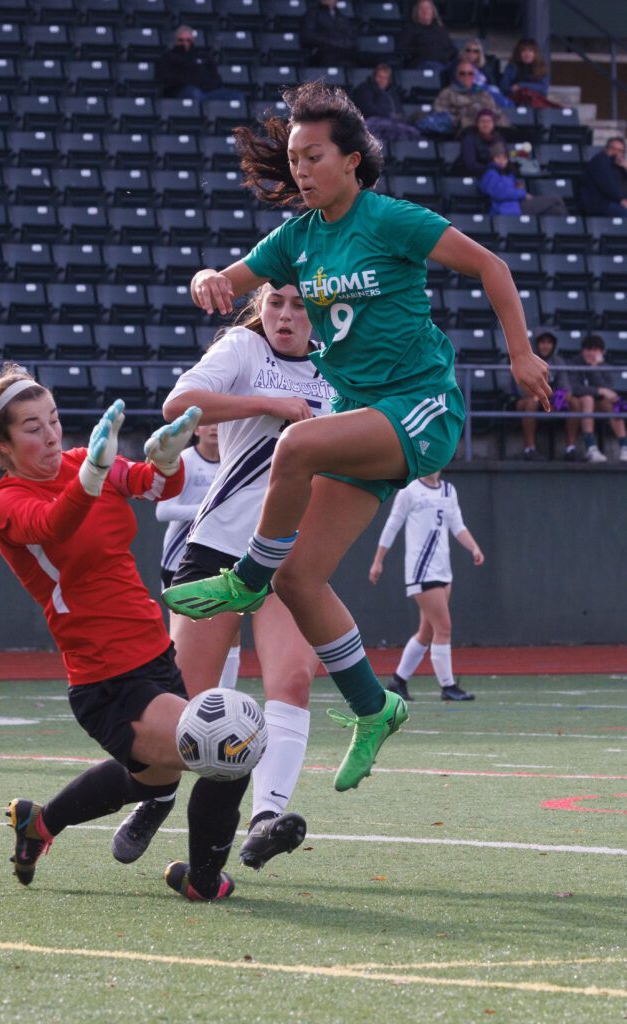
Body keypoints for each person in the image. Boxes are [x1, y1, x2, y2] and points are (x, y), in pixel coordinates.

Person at [161, 82, 551, 795]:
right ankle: (374, 709)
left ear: (351, 161)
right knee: (299, 578)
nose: (301, 170)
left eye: (313, 157)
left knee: (295, 449)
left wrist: (519, 354)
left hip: (421, 405)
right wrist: (207, 278)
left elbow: (490, 267)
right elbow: (230, 277)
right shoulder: (296, 239)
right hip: (364, 415)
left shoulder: (390, 219)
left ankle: (243, 578)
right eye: (293, 158)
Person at [0, 365, 248, 902]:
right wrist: (91, 476)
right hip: (107, 680)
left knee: (154, 781)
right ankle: (203, 883)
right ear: (2, 443)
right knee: (228, 748)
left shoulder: (78, 462)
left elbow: (150, 483)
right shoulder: (3, 504)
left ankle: (39, 824)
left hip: (153, 654)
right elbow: (54, 525)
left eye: (53, 420)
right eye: (32, 427)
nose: (51, 435)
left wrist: (164, 461)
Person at [158, 283, 331, 870]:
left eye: (300, 305)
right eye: (275, 302)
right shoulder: (243, 349)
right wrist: (269, 404)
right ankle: (152, 797)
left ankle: (265, 820)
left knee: (293, 682)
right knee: (179, 700)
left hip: (291, 557)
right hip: (220, 548)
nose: (284, 315)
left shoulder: (342, 368)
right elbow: (178, 406)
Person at [368, 471, 484, 702]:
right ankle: (447, 686)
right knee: (444, 627)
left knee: (427, 632)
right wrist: (378, 560)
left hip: (443, 569)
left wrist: (474, 547)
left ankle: (398, 681)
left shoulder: (448, 491)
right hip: (421, 570)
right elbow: (393, 524)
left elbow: (457, 525)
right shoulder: (410, 490)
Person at [156, 422, 241, 689]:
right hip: (180, 560)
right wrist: (208, 509)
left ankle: (225, 698)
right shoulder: (184, 460)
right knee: (180, 635)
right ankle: (179, 697)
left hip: (223, 555)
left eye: (220, 423)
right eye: (208, 423)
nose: (214, 428)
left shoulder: (233, 461)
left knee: (233, 631)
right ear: (196, 430)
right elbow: (163, 511)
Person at [515, 330, 578, 461]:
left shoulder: (558, 361)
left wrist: (557, 397)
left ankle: (570, 448)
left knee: (575, 402)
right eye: (542, 342)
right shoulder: (527, 360)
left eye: (549, 343)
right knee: (531, 402)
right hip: (529, 398)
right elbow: (521, 387)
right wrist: (538, 395)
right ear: (536, 344)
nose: (545, 346)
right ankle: (530, 449)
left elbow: (566, 386)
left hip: (552, 399)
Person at [568, 334, 627, 463]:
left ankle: (624, 447)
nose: (591, 353)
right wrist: (599, 390)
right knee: (588, 399)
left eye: (595, 350)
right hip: (578, 404)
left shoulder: (603, 366)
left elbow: (609, 390)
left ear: (602, 352)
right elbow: (574, 388)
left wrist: (594, 369)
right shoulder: (574, 363)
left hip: (598, 404)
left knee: (613, 403)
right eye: (588, 349)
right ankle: (591, 448)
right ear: (582, 350)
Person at [155, 25, 243, 102]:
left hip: (207, 91)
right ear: (176, 41)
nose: (185, 43)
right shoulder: (167, 57)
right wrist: (189, 81)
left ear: (192, 40)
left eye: (188, 40)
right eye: (181, 40)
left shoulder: (204, 56)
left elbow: (216, 79)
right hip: (182, 91)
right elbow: (165, 79)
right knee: (194, 93)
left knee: (236, 96)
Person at [478, 141, 568, 217]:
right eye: (498, 158)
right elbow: (498, 193)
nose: (502, 161)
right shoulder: (490, 173)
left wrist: (521, 192)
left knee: (557, 210)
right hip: (506, 208)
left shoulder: (509, 174)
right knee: (555, 199)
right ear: (492, 159)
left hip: (518, 204)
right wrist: (523, 194)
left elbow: (517, 187)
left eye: (504, 158)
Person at [429, 62, 508, 136]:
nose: (467, 76)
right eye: (462, 73)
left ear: (474, 76)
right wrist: (462, 118)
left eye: (470, 73)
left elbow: (495, 110)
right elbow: (440, 113)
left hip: (488, 130)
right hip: (463, 132)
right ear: (456, 75)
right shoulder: (447, 93)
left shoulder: (484, 93)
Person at [350, 63, 421, 142]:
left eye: (385, 78)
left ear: (389, 80)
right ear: (374, 77)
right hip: (374, 121)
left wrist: (398, 117)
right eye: (379, 77)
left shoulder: (393, 93)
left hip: (393, 122)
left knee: (412, 132)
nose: (381, 80)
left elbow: (399, 111)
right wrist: (387, 114)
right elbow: (367, 108)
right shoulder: (365, 88)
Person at [397, 0, 456, 75]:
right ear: (416, 12)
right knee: (438, 69)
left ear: (433, 11)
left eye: (428, 8)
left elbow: (451, 49)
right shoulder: (409, 29)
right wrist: (422, 52)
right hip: (423, 63)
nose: (425, 11)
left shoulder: (440, 29)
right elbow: (402, 48)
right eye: (421, 8)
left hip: (444, 62)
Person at [300, 0, 358, 68]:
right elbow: (307, 36)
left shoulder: (342, 18)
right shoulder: (312, 14)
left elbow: (350, 38)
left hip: (342, 53)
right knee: (331, 54)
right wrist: (333, 42)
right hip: (321, 53)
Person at [579, 137, 627, 217]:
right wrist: (621, 200)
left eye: (620, 151)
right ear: (606, 149)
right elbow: (608, 185)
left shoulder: (620, 166)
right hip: (599, 204)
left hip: (614, 202)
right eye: (613, 149)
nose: (616, 153)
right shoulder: (600, 161)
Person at [452, 108, 506, 176]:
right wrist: (489, 169)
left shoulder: (498, 139)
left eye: (489, 121)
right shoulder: (469, 138)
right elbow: (471, 164)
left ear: (493, 124)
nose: (485, 124)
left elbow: (502, 158)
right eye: (482, 121)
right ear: (477, 123)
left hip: (491, 173)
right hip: (469, 173)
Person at [499, 38, 550, 104]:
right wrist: (513, 90)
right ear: (518, 53)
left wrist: (521, 85)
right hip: (516, 102)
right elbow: (504, 87)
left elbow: (543, 88)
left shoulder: (541, 67)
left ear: (535, 53)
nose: (527, 54)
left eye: (530, 51)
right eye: (524, 51)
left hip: (536, 103)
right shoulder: (512, 67)